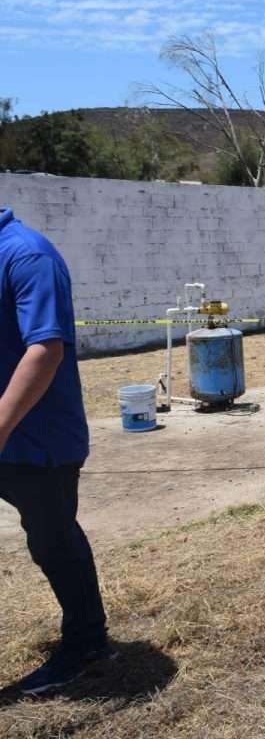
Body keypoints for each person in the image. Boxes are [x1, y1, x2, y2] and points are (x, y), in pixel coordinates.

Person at [0, 206, 110, 695]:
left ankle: (87, 641)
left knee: (51, 539)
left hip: (40, 438)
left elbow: (46, 349)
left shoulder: (28, 255)